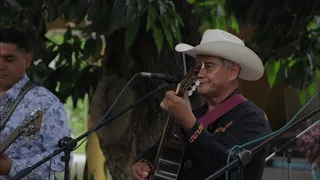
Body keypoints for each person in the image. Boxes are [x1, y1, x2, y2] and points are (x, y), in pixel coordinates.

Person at [131, 29, 272, 180]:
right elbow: (165, 150)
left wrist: (190, 124)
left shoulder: (252, 118)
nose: (199, 73)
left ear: (232, 71)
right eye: (198, 66)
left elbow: (227, 165)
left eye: (209, 66)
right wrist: (146, 162)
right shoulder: (195, 114)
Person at [0, 28, 71, 179]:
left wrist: (13, 167)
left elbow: (62, 159)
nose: (1, 66)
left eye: (9, 59)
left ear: (27, 60)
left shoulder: (45, 102)